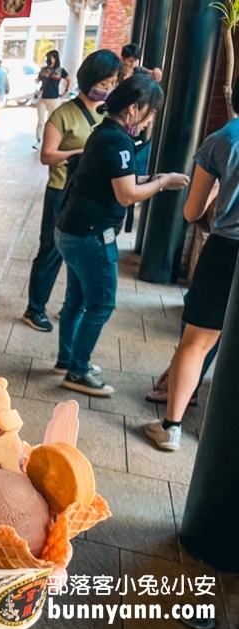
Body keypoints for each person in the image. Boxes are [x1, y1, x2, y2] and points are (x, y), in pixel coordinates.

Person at [52, 74, 189, 396]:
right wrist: (162, 184)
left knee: (76, 301)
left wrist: (152, 176)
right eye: (150, 112)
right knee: (100, 305)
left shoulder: (103, 134)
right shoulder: (118, 141)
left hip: (71, 230)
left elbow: (118, 177)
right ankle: (78, 371)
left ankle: (67, 359)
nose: (150, 119)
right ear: (133, 109)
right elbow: (126, 194)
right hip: (92, 236)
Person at [145, 86, 239, 451]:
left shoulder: (223, 140)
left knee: (196, 343)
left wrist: (218, 190)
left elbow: (191, 212)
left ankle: (171, 426)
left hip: (226, 251)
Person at [22, 49, 122, 333]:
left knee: (82, 252)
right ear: (90, 79)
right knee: (51, 249)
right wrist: (82, 151)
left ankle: (71, 306)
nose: (108, 89)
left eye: (113, 83)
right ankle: (35, 308)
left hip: (92, 196)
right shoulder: (63, 113)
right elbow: (47, 155)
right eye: (104, 83)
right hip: (61, 191)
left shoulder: (109, 114)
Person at [35, 50, 72, 144]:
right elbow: (38, 80)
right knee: (40, 120)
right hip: (42, 98)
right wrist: (37, 80)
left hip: (54, 99)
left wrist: (65, 92)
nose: (48, 60)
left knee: (51, 121)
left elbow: (69, 79)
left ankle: (48, 140)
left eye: (50, 58)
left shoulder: (60, 71)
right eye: (47, 58)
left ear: (55, 59)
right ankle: (39, 139)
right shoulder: (43, 70)